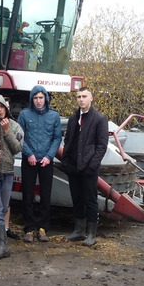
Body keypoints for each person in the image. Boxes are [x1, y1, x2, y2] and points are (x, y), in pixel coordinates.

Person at [61, 87, 109, 247]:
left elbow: (102, 145)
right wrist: (66, 162)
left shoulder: (99, 118)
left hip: (89, 168)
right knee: (77, 199)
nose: (81, 99)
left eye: (84, 96)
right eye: (78, 97)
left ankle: (91, 233)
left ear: (91, 98)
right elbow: (68, 141)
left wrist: (92, 166)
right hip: (73, 167)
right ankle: (79, 230)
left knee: (90, 200)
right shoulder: (74, 118)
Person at [17, 85, 62, 243]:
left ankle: (43, 228)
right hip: (29, 160)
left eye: (41, 98)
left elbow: (57, 138)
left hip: (46, 161)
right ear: (31, 99)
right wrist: (28, 154)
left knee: (45, 194)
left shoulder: (54, 116)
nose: (38, 101)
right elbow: (19, 137)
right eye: (35, 98)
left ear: (46, 99)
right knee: (28, 194)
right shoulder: (24, 114)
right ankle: (29, 228)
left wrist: (49, 156)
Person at [0, 94, 24, 259]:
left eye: (2, 106)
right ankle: (3, 246)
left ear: (6, 108)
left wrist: (7, 132)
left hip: (8, 172)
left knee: (4, 206)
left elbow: (17, 148)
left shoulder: (15, 126)